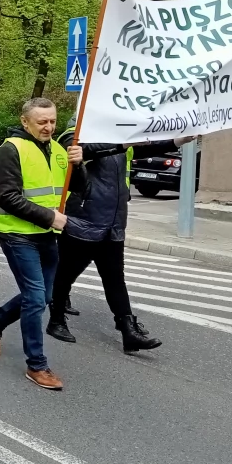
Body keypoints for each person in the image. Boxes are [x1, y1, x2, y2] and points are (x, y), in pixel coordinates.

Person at [44, 117, 178, 352]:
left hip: (113, 223)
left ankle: (128, 330)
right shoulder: (74, 134)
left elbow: (147, 145)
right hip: (83, 219)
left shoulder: (119, 139)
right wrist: (121, 144)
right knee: (65, 273)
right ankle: (56, 321)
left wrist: (178, 140)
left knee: (115, 278)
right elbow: (83, 150)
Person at [0, 97, 83, 391]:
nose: (49, 127)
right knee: (36, 297)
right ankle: (36, 365)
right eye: (42, 122)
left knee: (46, 295)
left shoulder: (59, 150)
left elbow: (79, 188)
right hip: (17, 234)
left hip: (47, 234)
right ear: (25, 122)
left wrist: (78, 165)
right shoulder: (9, 150)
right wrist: (51, 217)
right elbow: (8, 198)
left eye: (52, 121)